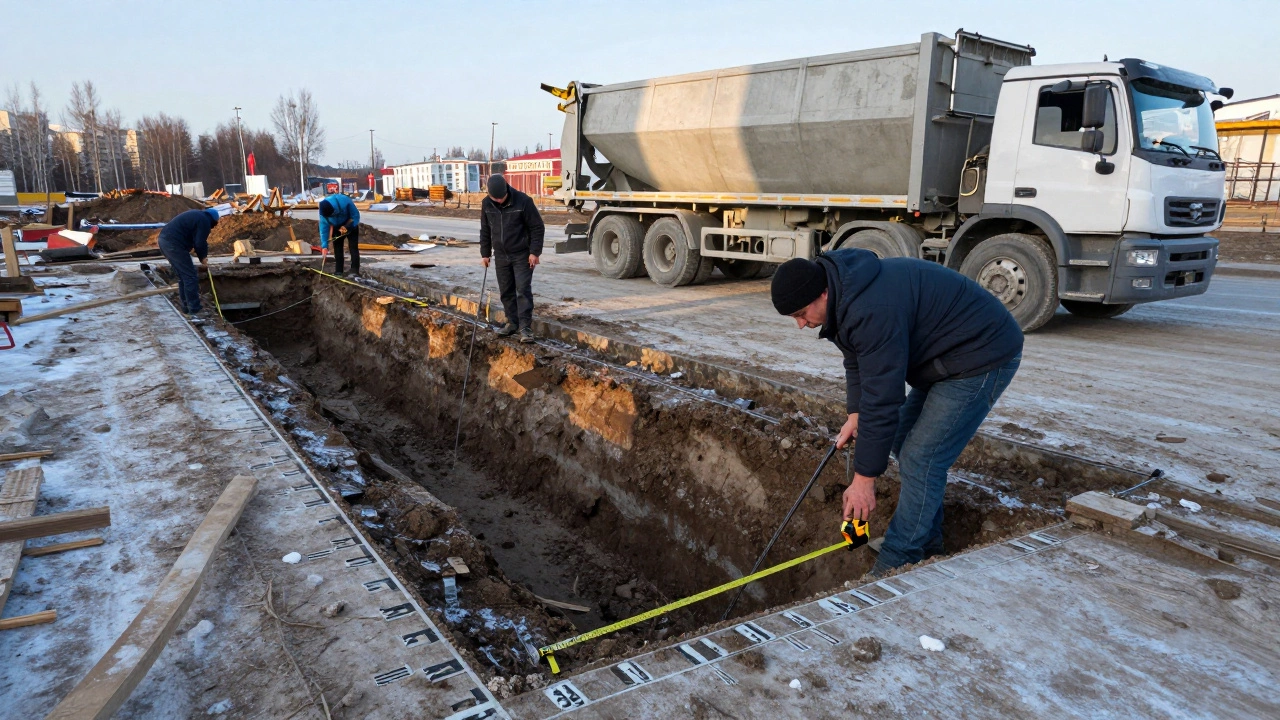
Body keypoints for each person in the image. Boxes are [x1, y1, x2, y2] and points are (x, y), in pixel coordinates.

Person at [771, 248, 1023, 576]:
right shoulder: (844, 296)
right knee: (902, 439)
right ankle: (928, 546)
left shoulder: (870, 307)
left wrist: (863, 481)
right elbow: (857, 358)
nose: (801, 325)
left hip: (981, 354)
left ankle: (897, 557)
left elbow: (884, 399)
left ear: (823, 293)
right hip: (945, 356)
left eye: (802, 313)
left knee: (922, 458)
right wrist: (855, 412)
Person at [479, 174, 545, 343]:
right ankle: (512, 323)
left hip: (522, 254)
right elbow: (485, 230)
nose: (499, 201)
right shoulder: (486, 204)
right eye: (495, 198)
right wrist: (485, 253)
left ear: (506, 189)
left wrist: (534, 252)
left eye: (502, 198)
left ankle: (525, 328)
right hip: (501, 255)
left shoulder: (523, 202)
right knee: (506, 291)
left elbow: (537, 227)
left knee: (522, 290)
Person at [157, 207, 220, 316]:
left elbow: (193, 238)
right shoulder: (204, 220)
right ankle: (194, 309)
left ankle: (186, 306)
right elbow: (200, 242)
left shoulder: (197, 216)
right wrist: (203, 258)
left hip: (165, 241)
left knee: (183, 276)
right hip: (173, 244)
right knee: (190, 276)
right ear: (213, 220)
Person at [318, 193, 361, 276]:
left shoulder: (344, 200)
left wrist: (348, 226)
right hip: (336, 227)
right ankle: (339, 271)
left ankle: (354, 270)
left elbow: (355, 215)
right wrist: (324, 246)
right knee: (337, 248)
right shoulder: (323, 215)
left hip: (350, 223)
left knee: (353, 247)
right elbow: (324, 229)